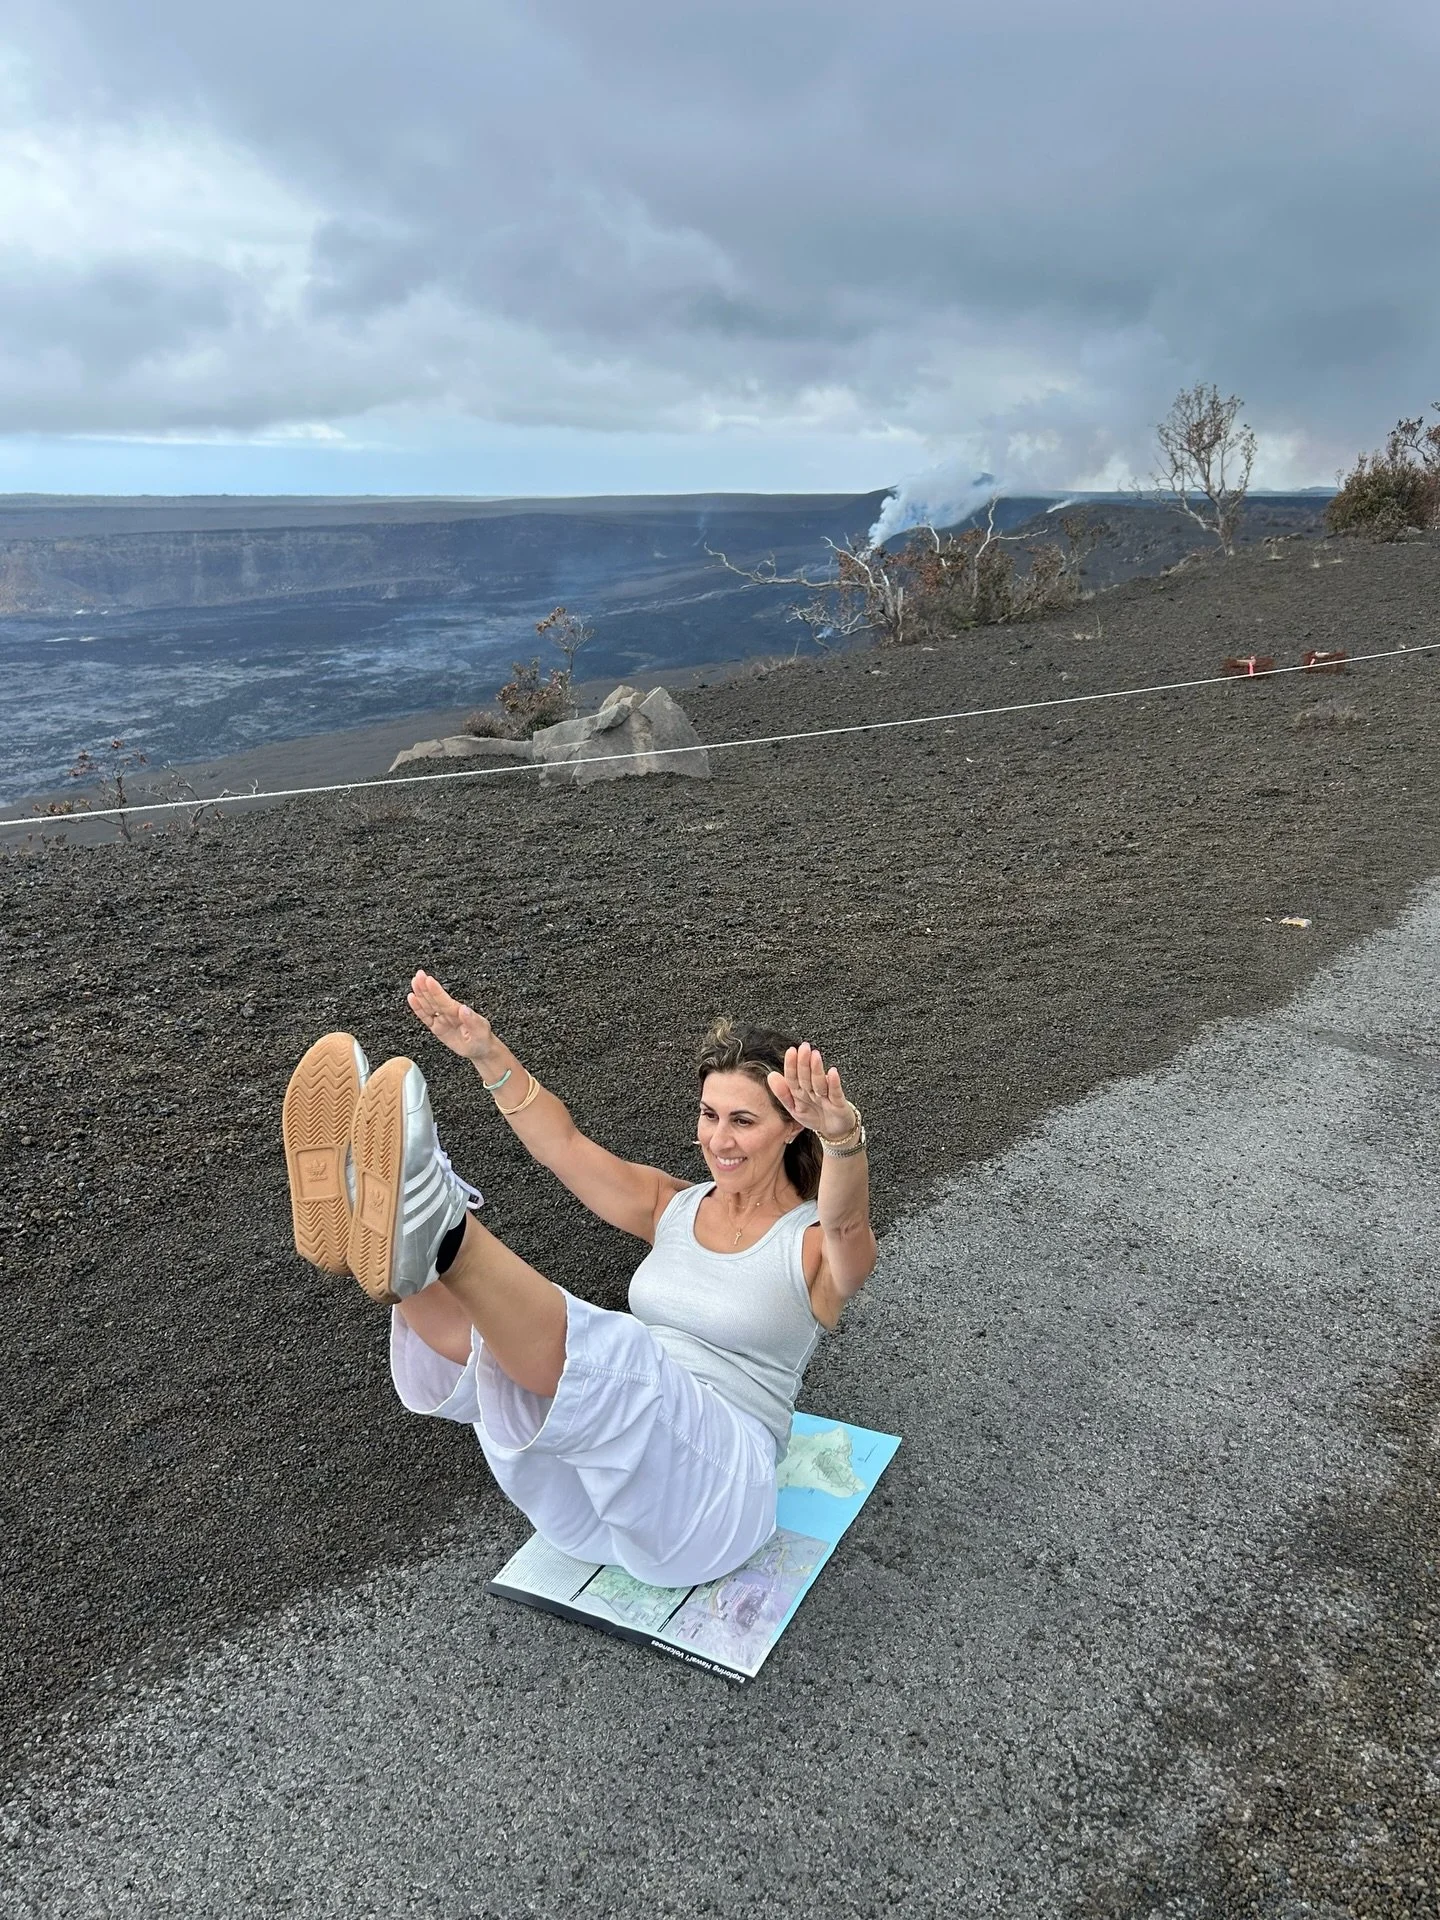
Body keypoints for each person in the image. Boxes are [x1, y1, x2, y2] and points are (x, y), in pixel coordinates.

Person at [282, 970, 878, 1587]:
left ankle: (439, 1222)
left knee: (622, 1354)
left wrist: (842, 1137)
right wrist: (487, 1053)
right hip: (591, 1503)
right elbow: (563, 1145)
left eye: (743, 1121)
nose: (718, 1139)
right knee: (504, 1350)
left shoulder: (814, 1248)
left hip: (712, 1506)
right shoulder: (672, 1206)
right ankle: (378, 1219)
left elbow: (848, 1226)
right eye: (709, 1115)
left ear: (792, 1126)